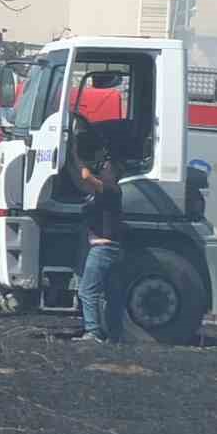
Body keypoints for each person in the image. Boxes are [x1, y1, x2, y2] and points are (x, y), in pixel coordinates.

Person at [75, 135, 124, 344]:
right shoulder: (108, 192)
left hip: (102, 248)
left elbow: (85, 176)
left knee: (87, 290)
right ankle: (110, 333)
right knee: (106, 293)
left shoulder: (110, 188)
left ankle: (93, 332)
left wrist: (76, 156)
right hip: (108, 248)